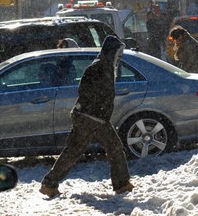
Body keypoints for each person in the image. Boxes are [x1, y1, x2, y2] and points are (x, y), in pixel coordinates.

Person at [40, 35, 133, 197]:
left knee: (75, 150)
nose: (120, 56)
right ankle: (122, 184)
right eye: (119, 52)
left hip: (92, 117)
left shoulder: (107, 66)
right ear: (111, 51)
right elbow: (84, 89)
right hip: (90, 117)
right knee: (114, 148)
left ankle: (49, 183)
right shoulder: (98, 67)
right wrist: (97, 107)